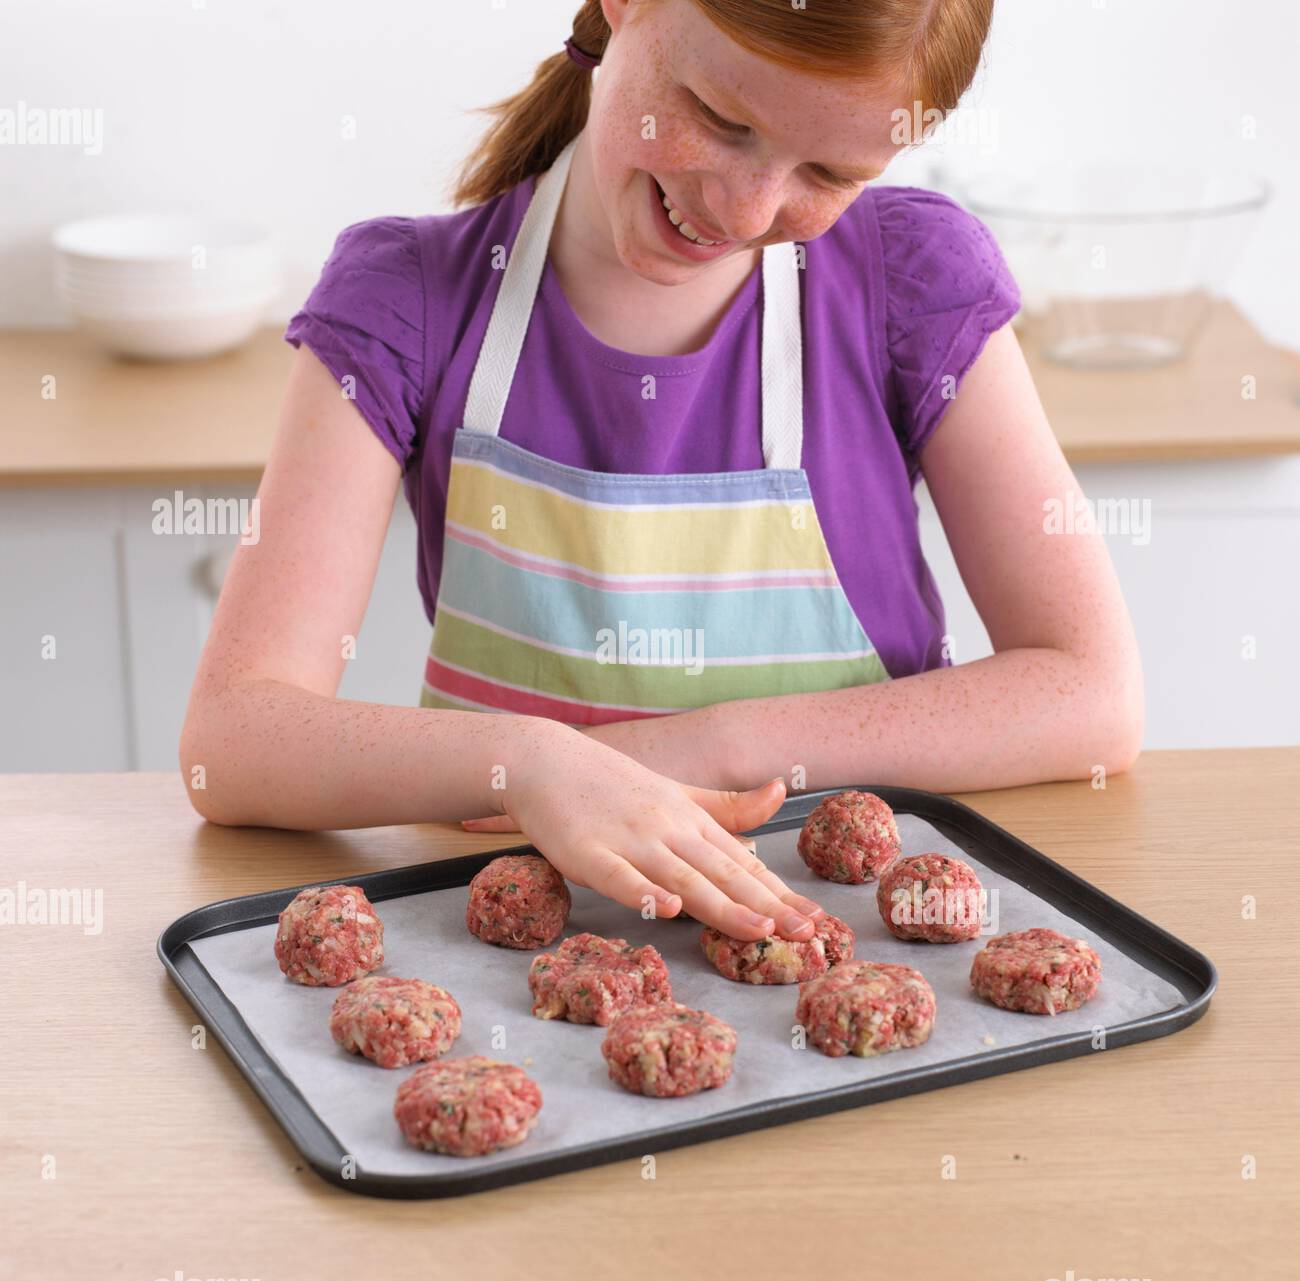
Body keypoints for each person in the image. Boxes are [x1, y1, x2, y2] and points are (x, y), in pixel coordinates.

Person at [181, 0, 1143, 946]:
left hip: (840, 948)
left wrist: (704, 748)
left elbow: (1091, 695)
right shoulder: (406, 298)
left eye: (829, 170)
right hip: (512, 965)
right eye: (724, 121)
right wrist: (533, 761)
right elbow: (232, 741)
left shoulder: (915, 279)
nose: (747, 208)